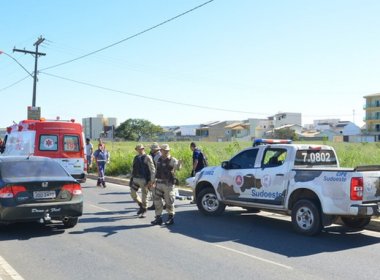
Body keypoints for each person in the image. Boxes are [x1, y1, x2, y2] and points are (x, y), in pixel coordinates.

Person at [151, 144, 181, 226]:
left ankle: (170, 218)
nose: (167, 151)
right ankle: (158, 218)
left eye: (168, 150)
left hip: (168, 184)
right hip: (159, 182)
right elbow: (156, 170)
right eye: (165, 150)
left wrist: (179, 164)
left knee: (169, 201)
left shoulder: (172, 160)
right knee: (157, 200)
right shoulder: (157, 158)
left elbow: (178, 168)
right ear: (161, 151)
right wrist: (153, 181)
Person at [130, 144, 156, 218]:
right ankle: (141, 205)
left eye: (140, 148)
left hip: (144, 179)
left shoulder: (147, 157)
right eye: (138, 149)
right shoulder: (136, 157)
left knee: (145, 195)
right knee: (133, 193)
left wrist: (152, 180)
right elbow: (133, 168)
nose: (139, 150)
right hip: (136, 178)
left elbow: (152, 169)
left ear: (143, 149)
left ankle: (144, 209)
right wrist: (131, 178)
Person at [147, 142, 161, 210]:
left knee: (154, 191)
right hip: (157, 175)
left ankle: (155, 205)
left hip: (156, 175)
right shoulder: (155, 155)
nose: (151, 150)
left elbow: (156, 168)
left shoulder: (157, 156)